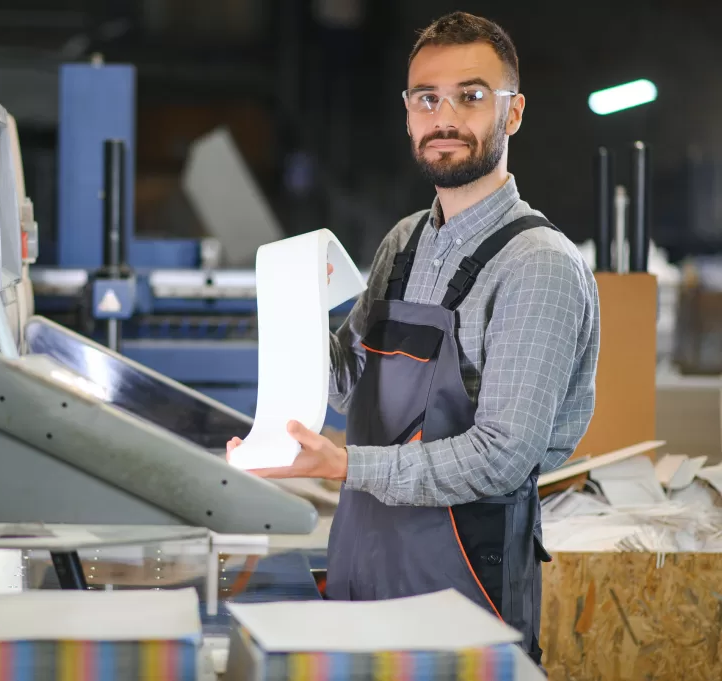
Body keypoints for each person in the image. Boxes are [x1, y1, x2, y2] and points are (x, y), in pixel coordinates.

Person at [227, 11, 600, 666]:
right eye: (427, 98)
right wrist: (294, 302)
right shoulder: (404, 242)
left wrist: (346, 466)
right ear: (408, 114)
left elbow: (501, 457)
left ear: (512, 113)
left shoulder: (537, 265)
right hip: (364, 565)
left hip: (464, 595)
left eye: (470, 96)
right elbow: (347, 386)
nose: (444, 117)